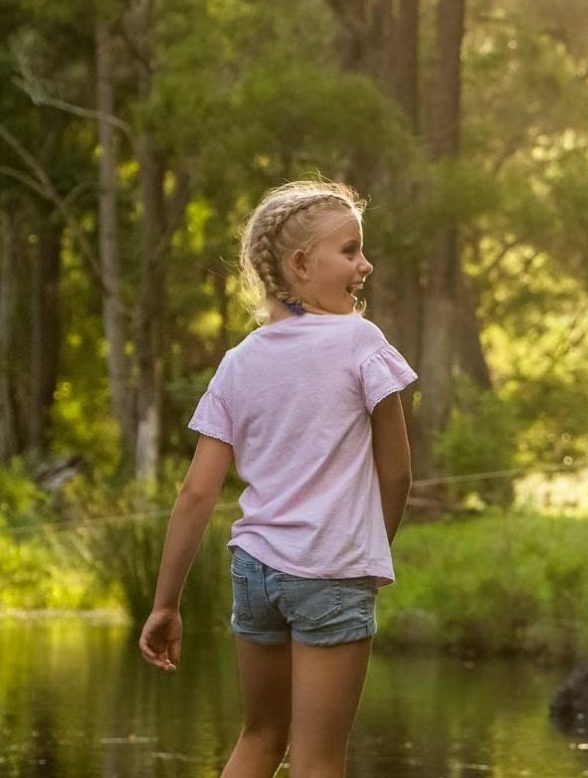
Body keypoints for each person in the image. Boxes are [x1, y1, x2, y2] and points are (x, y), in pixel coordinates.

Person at [138, 181, 417, 777]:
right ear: (300, 264)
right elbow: (397, 471)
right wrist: (371, 555)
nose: (365, 265)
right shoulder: (362, 343)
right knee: (319, 760)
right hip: (332, 570)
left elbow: (196, 494)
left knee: (260, 736)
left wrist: (166, 604)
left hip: (255, 573)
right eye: (350, 251)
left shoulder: (239, 361)